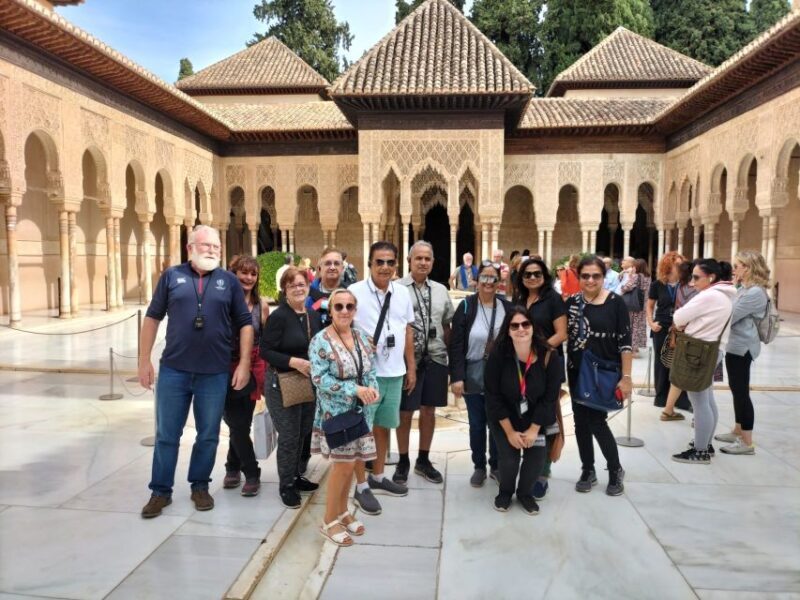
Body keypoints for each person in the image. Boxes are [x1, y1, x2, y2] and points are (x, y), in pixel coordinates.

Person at [138, 225, 253, 518]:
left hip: (213, 373)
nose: (213, 250)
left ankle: (200, 485)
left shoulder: (228, 281)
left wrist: (243, 364)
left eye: (216, 247)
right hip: (174, 371)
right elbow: (152, 318)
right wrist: (143, 360)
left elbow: (245, 323)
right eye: (206, 246)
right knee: (167, 435)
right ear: (190, 248)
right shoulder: (172, 277)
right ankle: (160, 491)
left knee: (209, 434)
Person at [348, 241, 416, 515]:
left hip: (394, 373)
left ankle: (377, 477)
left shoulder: (402, 293)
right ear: (370, 264)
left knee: (383, 427)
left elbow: (407, 331)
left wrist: (410, 367)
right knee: (360, 431)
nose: (385, 267)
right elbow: (341, 328)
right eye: (380, 262)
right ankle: (361, 487)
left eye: (390, 262)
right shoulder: (354, 292)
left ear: (396, 265)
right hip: (366, 375)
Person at [310, 288, 380, 547]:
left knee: (353, 464)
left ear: (355, 310)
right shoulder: (320, 340)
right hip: (336, 413)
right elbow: (319, 379)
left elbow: (370, 368)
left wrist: (372, 390)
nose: (344, 311)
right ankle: (329, 520)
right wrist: (355, 390)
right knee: (342, 466)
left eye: (349, 306)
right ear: (330, 310)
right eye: (338, 306)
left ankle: (342, 511)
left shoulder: (361, 336)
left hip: (361, 412)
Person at [485, 307, 562, 514]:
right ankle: (505, 492)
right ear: (508, 330)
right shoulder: (498, 355)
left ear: (532, 327)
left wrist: (534, 429)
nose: (521, 329)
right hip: (505, 418)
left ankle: (525, 494)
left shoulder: (549, 356)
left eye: (525, 324)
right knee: (509, 459)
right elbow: (493, 396)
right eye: (515, 325)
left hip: (536, 418)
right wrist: (509, 432)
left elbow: (550, 398)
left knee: (536, 458)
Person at [566, 255, 631, 496]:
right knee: (580, 422)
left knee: (597, 421)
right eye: (585, 276)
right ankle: (588, 469)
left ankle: (615, 470)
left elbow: (626, 343)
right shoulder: (572, 302)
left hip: (602, 372)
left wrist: (626, 378)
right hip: (576, 370)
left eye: (596, 275)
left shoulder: (615, 303)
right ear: (579, 277)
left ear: (604, 277)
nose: (590, 280)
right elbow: (562, 332)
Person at [261, 267, 323, 508]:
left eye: (302, 284)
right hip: (282, 383)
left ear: (308, 287)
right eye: (292, 285)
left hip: (306, 383)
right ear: (284, 290)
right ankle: (286, 485)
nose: (298, 288)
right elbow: (266, 351)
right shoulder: (279, 317)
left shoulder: (311, 315)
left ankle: (296, 475)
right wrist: (292, 362)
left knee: (303, 431)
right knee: (288, 435)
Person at [396, 241, 455, 484]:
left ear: (432, 262)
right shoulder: (397, 288)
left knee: (429, 411)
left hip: (436, 358)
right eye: (418, 258)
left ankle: (423, 459)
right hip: (408, 361)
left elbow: (446, 325)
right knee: (406, 412)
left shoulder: (441, 290)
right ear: (409, 261)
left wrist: (451, 362)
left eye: (427, 258)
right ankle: (402, 460)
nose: (422, 262)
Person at [449, 261, 513, 487]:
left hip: (500, 377)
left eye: (492, 278)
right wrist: (457, 377)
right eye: (484, 277)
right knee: (477, 423)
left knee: (497, 421)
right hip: (473, 373)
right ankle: (479, 466)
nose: (488, 282)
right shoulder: (466, 306)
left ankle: (495, 465)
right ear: (477, 281)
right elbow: (455, 344)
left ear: (499, 282)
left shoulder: (507, 307)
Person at [671, 259, 735, 464]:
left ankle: (700, 451)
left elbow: (679, 317)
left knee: (699, 402)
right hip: (713, 350)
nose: (692, 282)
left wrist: (684, 322)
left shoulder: (709, 296)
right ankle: (705, 444)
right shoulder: (725, 295)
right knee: (707, 399)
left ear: (711, 277)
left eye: (696, 277)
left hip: (699, 351)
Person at [514, 257, 567, 500]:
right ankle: (528, 467)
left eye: (537, 274)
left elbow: (561, 333)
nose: (532, 278)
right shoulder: (519, 299)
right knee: (525, 416)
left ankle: (542, 473)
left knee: (546, 417)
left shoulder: (553, 299)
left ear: (544, 276)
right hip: (522, 366)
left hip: (547, 364)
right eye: (527, 274)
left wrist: (538, 350)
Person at [223, 255, 270, 497]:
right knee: (236, 421)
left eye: (253, 273)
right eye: (243, 272)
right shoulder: (222, 301)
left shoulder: (260, 305)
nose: (248, 278)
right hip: (225, 366)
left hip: (252, 366)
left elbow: (265, 338)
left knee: (242, 421)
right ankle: (251, 471)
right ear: (233, 273)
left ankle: (233, 467)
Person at [716, 251, 770, 455]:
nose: (734, 269)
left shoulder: (755, 292)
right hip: (735, 345)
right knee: (736, 388)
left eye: (737, 265)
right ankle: (738, 429)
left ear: (748, 268)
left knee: (741, 392)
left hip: (743, 347)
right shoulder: (745, 288)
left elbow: (731, 314)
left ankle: (747, 442)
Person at [647, 251, 691, 412]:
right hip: (662, 326)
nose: (680, 267)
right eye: (677, 264)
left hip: (681, 328)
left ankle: (681, 399)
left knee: (680, 362)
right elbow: (650, 305)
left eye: (681, 264)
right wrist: (651, 323)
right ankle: (661, 396)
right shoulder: (657, 284)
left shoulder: (687, 284)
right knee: (661, 362)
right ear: (668, 266)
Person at [661, 260, 697, 421]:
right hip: (692, 335)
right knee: (696, 375)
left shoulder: (680, 288)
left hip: (680, 331)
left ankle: (668, 409)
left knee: (679, 372)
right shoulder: (694, 290)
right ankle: (699, 415)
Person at [620, 258, 651, 358]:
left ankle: (632, 350)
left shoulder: (636, 276)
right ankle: (636, 347)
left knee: (632, 327)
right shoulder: (648, 277)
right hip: (643, 304)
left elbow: (626, 287)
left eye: (634, 266)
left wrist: (628, 279)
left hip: (634, 304)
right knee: (639, 326)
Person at [307, 247, 345, 326]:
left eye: (336, 263)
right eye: (328, 263)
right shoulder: (306, 295)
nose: (332, 267)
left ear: (342, 269)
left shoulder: (350, 294)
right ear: (319, 269)